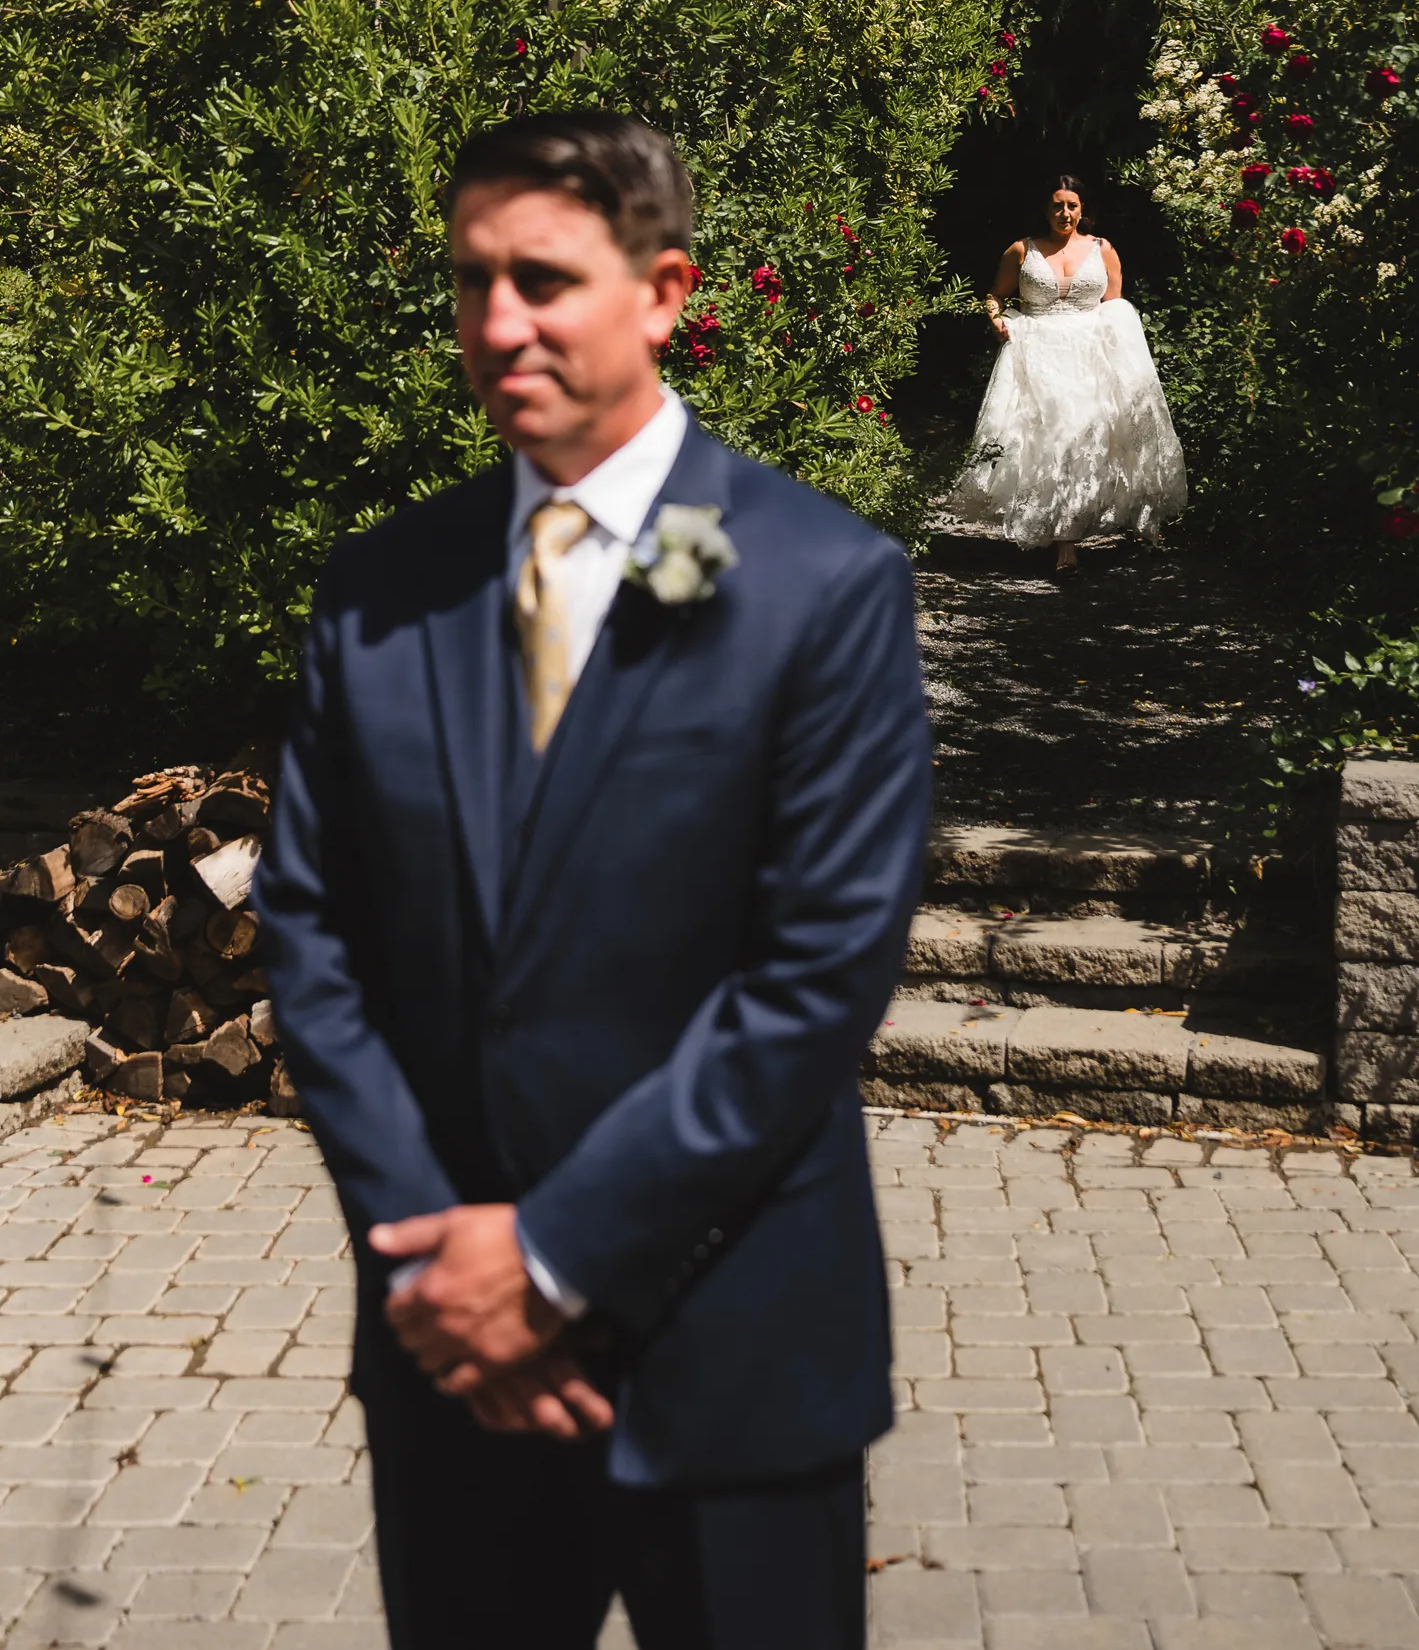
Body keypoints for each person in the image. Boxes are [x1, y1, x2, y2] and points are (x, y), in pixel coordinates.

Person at [254, 110, 930, 1650]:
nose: (499, 326)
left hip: (729, 1342)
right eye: (471, 281)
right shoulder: (382, 590)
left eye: (545, 280)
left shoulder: (814, 583)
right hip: (451, 1358)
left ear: (666, 289)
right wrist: (439, 1258)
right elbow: (311, 925)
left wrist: (551, 1257)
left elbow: (815, 975)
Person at [950, 171, 1186, 573]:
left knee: (1085, 442)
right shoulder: (1021, 251)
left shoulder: (1103, 249)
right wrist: (997, 321)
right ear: (1046, 209)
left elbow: (1115, 307)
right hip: (1037, 352)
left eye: (1072, 206)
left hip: (1089, 357)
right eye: (1057, 205)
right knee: (1048, 442)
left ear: (1083, 211)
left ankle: (1072, 541)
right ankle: (1065, 548)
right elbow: (995, 295)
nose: (1065, 212)